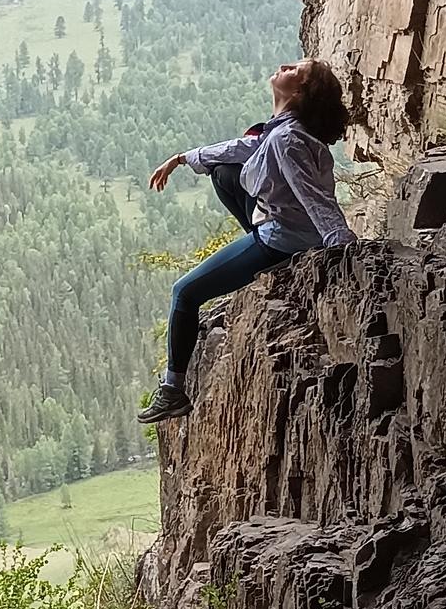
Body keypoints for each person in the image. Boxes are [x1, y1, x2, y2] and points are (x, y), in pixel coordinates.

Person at [136, 58, 357, 424]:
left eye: (293, 70)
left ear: (298, 91)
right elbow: (241, 149)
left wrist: (342, 246)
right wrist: (182, 159)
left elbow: (315, 198)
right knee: (223, 173)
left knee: (185, 293)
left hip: (284, 240)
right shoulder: (285, 131)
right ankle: (258, 256)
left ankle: (172, 390)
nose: (284, 66)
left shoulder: (287, 141)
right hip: (289, 231)